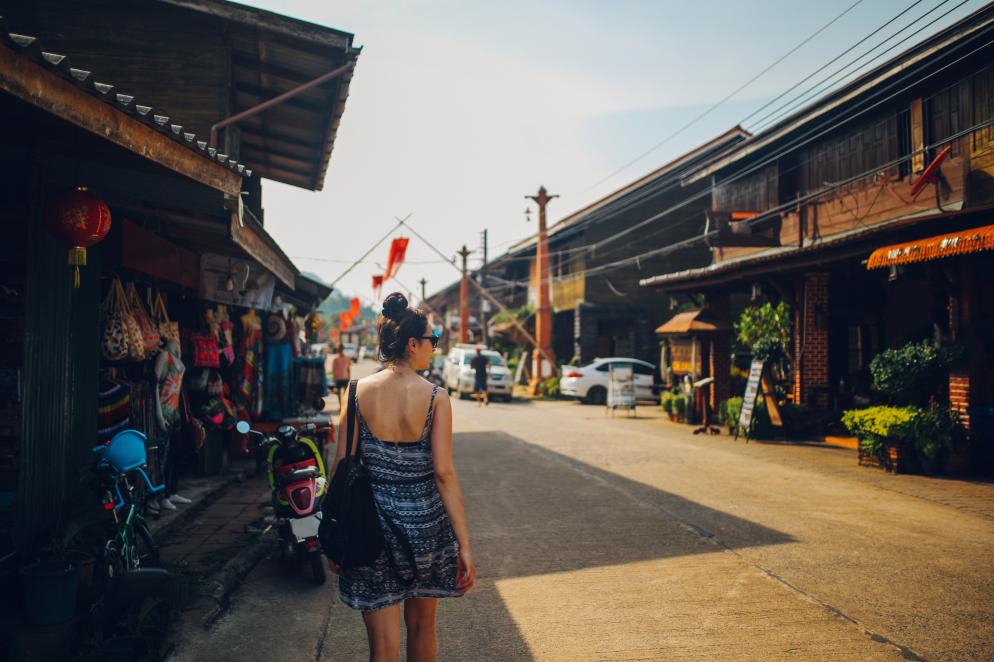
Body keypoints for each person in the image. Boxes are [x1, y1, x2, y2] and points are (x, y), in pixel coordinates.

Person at [328, 292, 475, 662]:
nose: (434, 349)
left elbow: (342, 465)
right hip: (425, 530)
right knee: (423, 628)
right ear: (412, 344)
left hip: (370, 529)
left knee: (383, 646)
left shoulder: (357, 392)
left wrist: (333, 532)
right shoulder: (436, 397)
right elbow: (443, 472)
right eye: (432, 341)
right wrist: (464, 545)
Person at [331, 343, 352, 410]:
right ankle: (344, 406)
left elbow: (334, 370)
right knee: (345, 393)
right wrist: (349, 376)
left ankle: (341, 406)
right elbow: (349, 369)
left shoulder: (336, 359)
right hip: (345, 377)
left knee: (339, 393)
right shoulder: (347, 358)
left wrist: (334, 378)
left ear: (338, 350)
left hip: (339, 378)